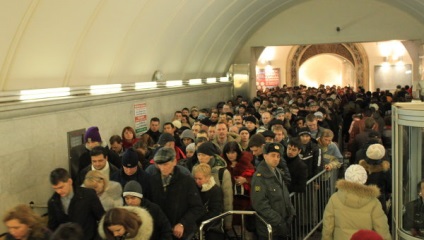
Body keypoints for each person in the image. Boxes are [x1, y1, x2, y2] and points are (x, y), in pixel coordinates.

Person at [322, 164, 391, 240]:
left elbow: (328, 228)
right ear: (365, 179)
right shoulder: (373, 202)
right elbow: (382, 229)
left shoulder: (334, 199)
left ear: (346, 177)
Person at [149, 147, 204, 239]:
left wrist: (182, 223)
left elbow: (197, 207)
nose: (162, 168)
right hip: (159, 233)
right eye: (160, 165)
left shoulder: (186, 181)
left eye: (166, 164)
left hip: (180, 234)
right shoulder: (152, 180)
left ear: (174, 161)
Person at [251, 142, 295, 240]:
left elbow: (284, 194)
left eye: (278, 156)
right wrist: (279, 221)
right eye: (273, 155)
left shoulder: (277, 171)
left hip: (281, 226)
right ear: (265, 156)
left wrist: (291, 212)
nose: (276, 159)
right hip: (269, 228)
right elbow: (260, 204)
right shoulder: (260, 177)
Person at [47, 168, 104, 240]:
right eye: (55, 189)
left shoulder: (88, 195)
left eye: (61, 187)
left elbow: (102, 218)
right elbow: (52, 227)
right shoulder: (53, 202)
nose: (59, 191)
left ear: (70, 181)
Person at [196, 142, 233, 230]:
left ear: (211, 156)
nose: (200, 158)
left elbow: (228, 199)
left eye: (204, 155)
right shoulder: (195, 169)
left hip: (216, 219)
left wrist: (228, 223)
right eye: (199, 155)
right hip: (198, 218)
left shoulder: (222, 172)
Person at [192, 163, 225, 240]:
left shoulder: (216, 191)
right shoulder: (194, 189)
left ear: (208, 178)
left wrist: (198, 221)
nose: (197, 181)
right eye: (195, 178)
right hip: (197, 224)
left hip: (211, 226)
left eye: (200, 179)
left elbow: (215, 211)